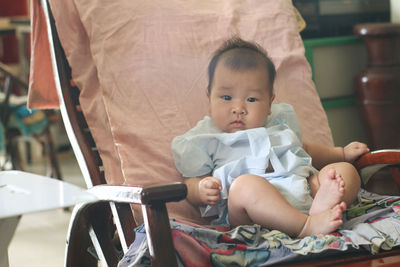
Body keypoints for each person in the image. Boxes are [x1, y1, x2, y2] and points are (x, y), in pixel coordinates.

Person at [171, 37, 370, 238]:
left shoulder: (279, 124)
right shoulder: (205, 138)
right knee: (244, 185)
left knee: (345, 172)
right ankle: (305, 226)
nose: (238, 109)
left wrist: (341, 153)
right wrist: (200, 189)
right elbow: (189, 183)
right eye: (226, 97)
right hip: (249, 213)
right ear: (209, 97)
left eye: (251, 99)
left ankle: (319, 209)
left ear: (269, 103)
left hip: (302, 190)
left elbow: (305, 150)